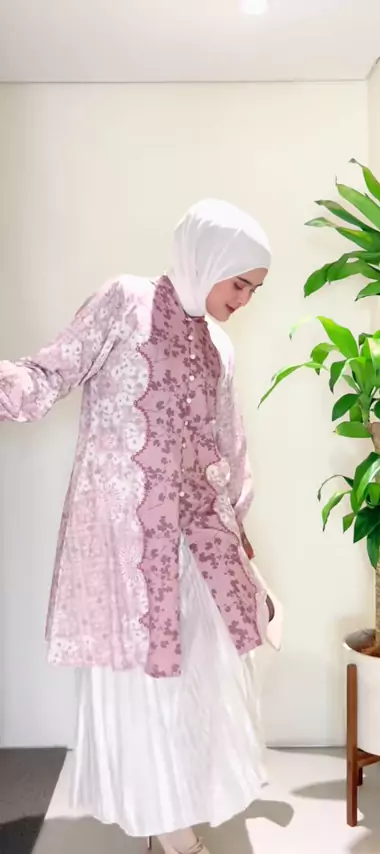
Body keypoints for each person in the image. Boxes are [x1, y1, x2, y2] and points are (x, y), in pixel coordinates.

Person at [0, 199, 273, 854]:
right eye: (240, 283)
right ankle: (176, 839)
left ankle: (170, 826)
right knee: (142, 697)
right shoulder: (125, 302)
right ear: (208, 257)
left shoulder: (219, 346)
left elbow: (228, 447)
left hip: (194, 551)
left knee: (193, 690)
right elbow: (49, 373)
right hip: (123, 553)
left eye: (253, 290)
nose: (244, 300)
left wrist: (239, 535)